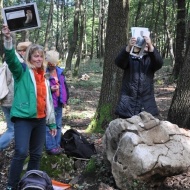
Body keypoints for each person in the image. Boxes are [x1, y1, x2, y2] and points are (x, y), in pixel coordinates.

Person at [2, 24, 57, 190]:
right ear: (29, 58)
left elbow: (48, 102)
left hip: (40, 120)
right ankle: (11, 185)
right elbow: (11, 59)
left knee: (36, 154)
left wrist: (52, 122)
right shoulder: (22, 72)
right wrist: (8, 39)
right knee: (20, 152)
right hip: (23, 119)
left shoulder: (44, 77)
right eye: (35, 56)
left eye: (41, 56)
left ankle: (32, 184)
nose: (38, 59)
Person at [114, 34, 163, 119]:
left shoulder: (151, 58)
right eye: (143, 43)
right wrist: (128, 47)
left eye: (147, 44)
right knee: (126, 130)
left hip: (146, 103)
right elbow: (119, 62)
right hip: (128, 104)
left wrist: (151, 46)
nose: (145, 46)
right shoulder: (131, 56)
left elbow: (159, 63)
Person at [0, 41, 31, 156]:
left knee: (13, 128)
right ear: (22, 52)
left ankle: (19, 148)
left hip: (5, 100)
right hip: (11, 100)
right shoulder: (16, 62)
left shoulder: (8, 62)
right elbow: (12, 84)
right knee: (13, 129)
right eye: (29, 51)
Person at [45, 50, 69, 155]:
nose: (53, 67)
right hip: (49, 104)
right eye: (51, 64)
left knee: (58, 125)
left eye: (55, 64)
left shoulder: (60, 72)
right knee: (49, 125)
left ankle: (57, 145)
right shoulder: (43, 73)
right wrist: (51, 89)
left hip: (59, 103)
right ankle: (51, 146)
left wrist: (64, 100)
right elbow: (41, 89)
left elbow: (64, 87)